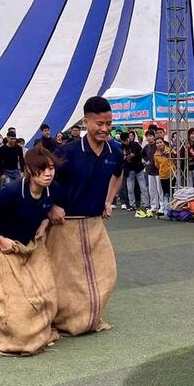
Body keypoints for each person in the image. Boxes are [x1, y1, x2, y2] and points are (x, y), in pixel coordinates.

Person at [46, 96, 123, 336]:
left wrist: (109, 201)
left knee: (107, 272)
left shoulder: (115, 151)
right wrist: (51, 207)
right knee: (66, 277)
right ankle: (63, 320)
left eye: (108, 123)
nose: (105, 129)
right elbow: (42, 179)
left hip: (95, 223)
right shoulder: (66, 151)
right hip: (64, 224)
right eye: (99, 123)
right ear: (86, 122)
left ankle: (89, 318)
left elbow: (118, 174)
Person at [0, 146, 62, 357]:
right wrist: (0, 238)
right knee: (14, 300)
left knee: (45, 291)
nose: (48, 173)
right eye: (42, 169)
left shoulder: (53, 189)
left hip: (31, 246)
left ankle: (39, 333)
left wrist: (45, 222)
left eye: (51, 168)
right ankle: (8, 341)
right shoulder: (12, 190)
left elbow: (52, 206)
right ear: (29, 170)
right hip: (4, 247)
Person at [123, 129, 147, 213]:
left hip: (138, 169)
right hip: (129, 170)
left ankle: (146, 205)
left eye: (127, 140)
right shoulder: (121, 147)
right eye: (124, 141)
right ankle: (132, 205)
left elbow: (142, 154)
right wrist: (124, 157)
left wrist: (134, 155)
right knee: (130, 189)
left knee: (143, 188)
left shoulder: (135, 144)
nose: (126, 142)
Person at [154, 137, 175, 215]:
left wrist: (170, 155)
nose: (159, 144)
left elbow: (176, 159)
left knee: (172, 192)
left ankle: (173, 208)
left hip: (172, 174)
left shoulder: (170, 150)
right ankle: (166, 209)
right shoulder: (156, 155)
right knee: (166, 193)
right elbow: (157, 165)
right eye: (157, 143)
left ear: (163, 142)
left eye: (160, 142)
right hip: (163, 175)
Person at [141, 129, 160, 216]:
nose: (149, 138)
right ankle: (154, 206)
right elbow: (142, 154)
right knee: (152, 190)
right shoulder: (146, 147)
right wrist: (147, 161)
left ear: (154, 137)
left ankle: (161, 205)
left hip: (158, 171)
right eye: (147, 136)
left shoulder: (158, 145)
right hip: (150, 171)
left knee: (159, 190)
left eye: (150, 136)